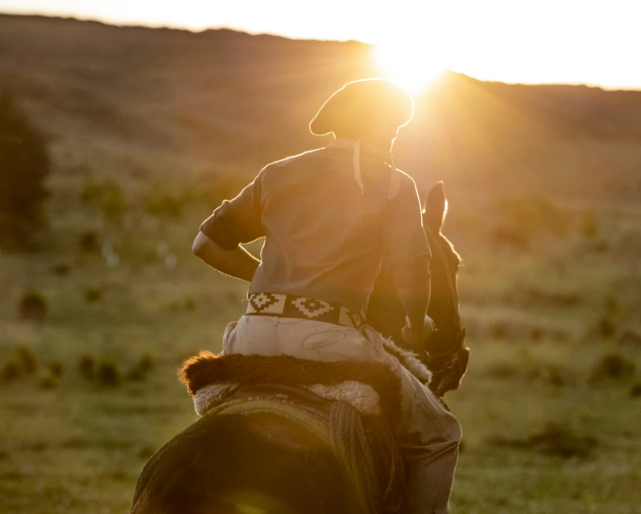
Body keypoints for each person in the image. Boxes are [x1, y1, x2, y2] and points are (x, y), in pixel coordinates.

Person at [192, 78, 461, 514]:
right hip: (332, 341)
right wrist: (415, 324)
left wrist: (266, 278)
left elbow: (205, 245)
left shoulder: (276, 173)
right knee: (440, 435)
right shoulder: (393, 185)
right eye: (391, 130)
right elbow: (413, 268)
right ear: (376, 128)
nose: (391, 141)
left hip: (249, 336)